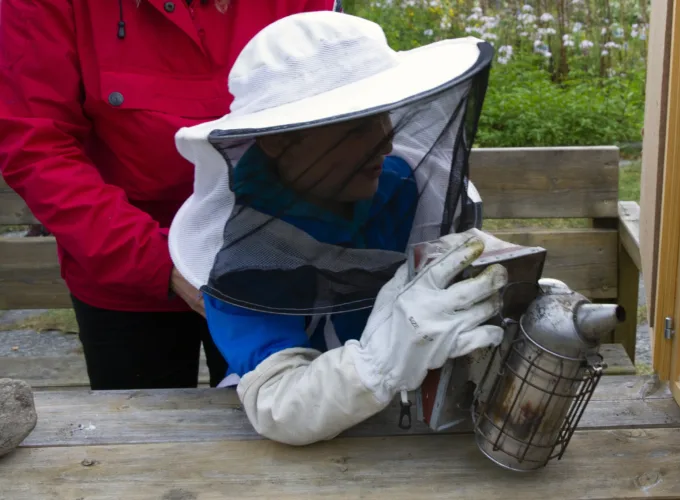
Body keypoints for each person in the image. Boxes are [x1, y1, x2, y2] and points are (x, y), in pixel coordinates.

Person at [168, 11, 508, 445]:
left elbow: (451, 261)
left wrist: (508, 281)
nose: (386, 141)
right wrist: (379, 363)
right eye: (357, 127)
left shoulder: (404, 185)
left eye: (384, 116)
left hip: (411, 430)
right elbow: (279, 402)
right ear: (277, 139)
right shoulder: (242, 254)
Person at [0, 0, 342, 390]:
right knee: (140, 435)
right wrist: (163, 262)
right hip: (122, 275)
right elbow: (38, 146)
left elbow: (333, 114)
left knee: (287, 425)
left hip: (272, 267)